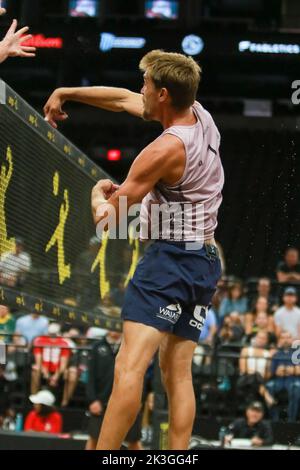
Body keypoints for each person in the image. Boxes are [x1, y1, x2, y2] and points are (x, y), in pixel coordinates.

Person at [44, 49, 224, 450]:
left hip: (169, 262)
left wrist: (96, 197)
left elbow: (109, 221)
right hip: (204, 261)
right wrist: (66, 91)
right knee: (177, 373)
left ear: (162, 94)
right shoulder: (200, 114)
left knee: (129, 366)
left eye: (144, 84)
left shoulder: (163, 150)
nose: (138, 89)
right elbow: (124, 100)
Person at [86, 331, 143, 450]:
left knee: (133, 441)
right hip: (101, 402)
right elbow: (90, 376)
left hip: (127, 400)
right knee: (94, 439)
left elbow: (140, 375)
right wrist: (93, 400)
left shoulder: (132, 346)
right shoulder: (97, 347)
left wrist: (139, 400)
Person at [266, 331, 300, 422]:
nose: (285, 340)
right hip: (279, 380)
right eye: (283, 338)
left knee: (295, 387)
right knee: (269, 386)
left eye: (288, 337)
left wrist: (288, 370)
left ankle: (291, 420)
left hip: (294, 379)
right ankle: (275, 419)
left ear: (292, 340)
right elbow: (274, 371)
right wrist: (291, 370)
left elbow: (298, 370)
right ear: (280, 340)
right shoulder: (276, 354)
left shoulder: (297, 353)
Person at [31, 323, 72, 398]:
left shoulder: (64, 343)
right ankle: (34, 398)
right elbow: (38, 361)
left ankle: (64, 402)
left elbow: (63, 363)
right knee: (35, 370)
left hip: (58, 370)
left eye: (54, 334)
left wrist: (56, 376)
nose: (52, 336)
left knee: (68, 373)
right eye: (51, 334)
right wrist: (46, 373)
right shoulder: (40, 340)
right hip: (43, 368)